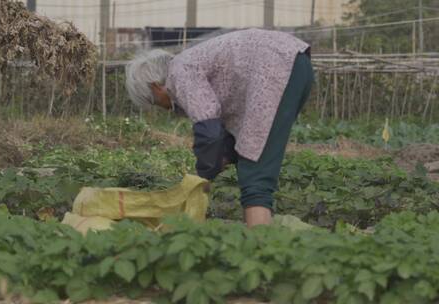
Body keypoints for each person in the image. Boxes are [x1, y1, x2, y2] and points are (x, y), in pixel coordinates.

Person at [125, 28, 314, 227]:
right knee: (248, 158)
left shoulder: (179, 72)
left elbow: (209, 129)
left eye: (154, 102)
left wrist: (202, 176)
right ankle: (253, 232)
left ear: (155, 86)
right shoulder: (191, 63)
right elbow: (227, 136)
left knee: (255, 175)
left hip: (276, 67)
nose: (162, 107)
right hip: (295, 63)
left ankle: (260, 250)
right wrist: (218, 161)